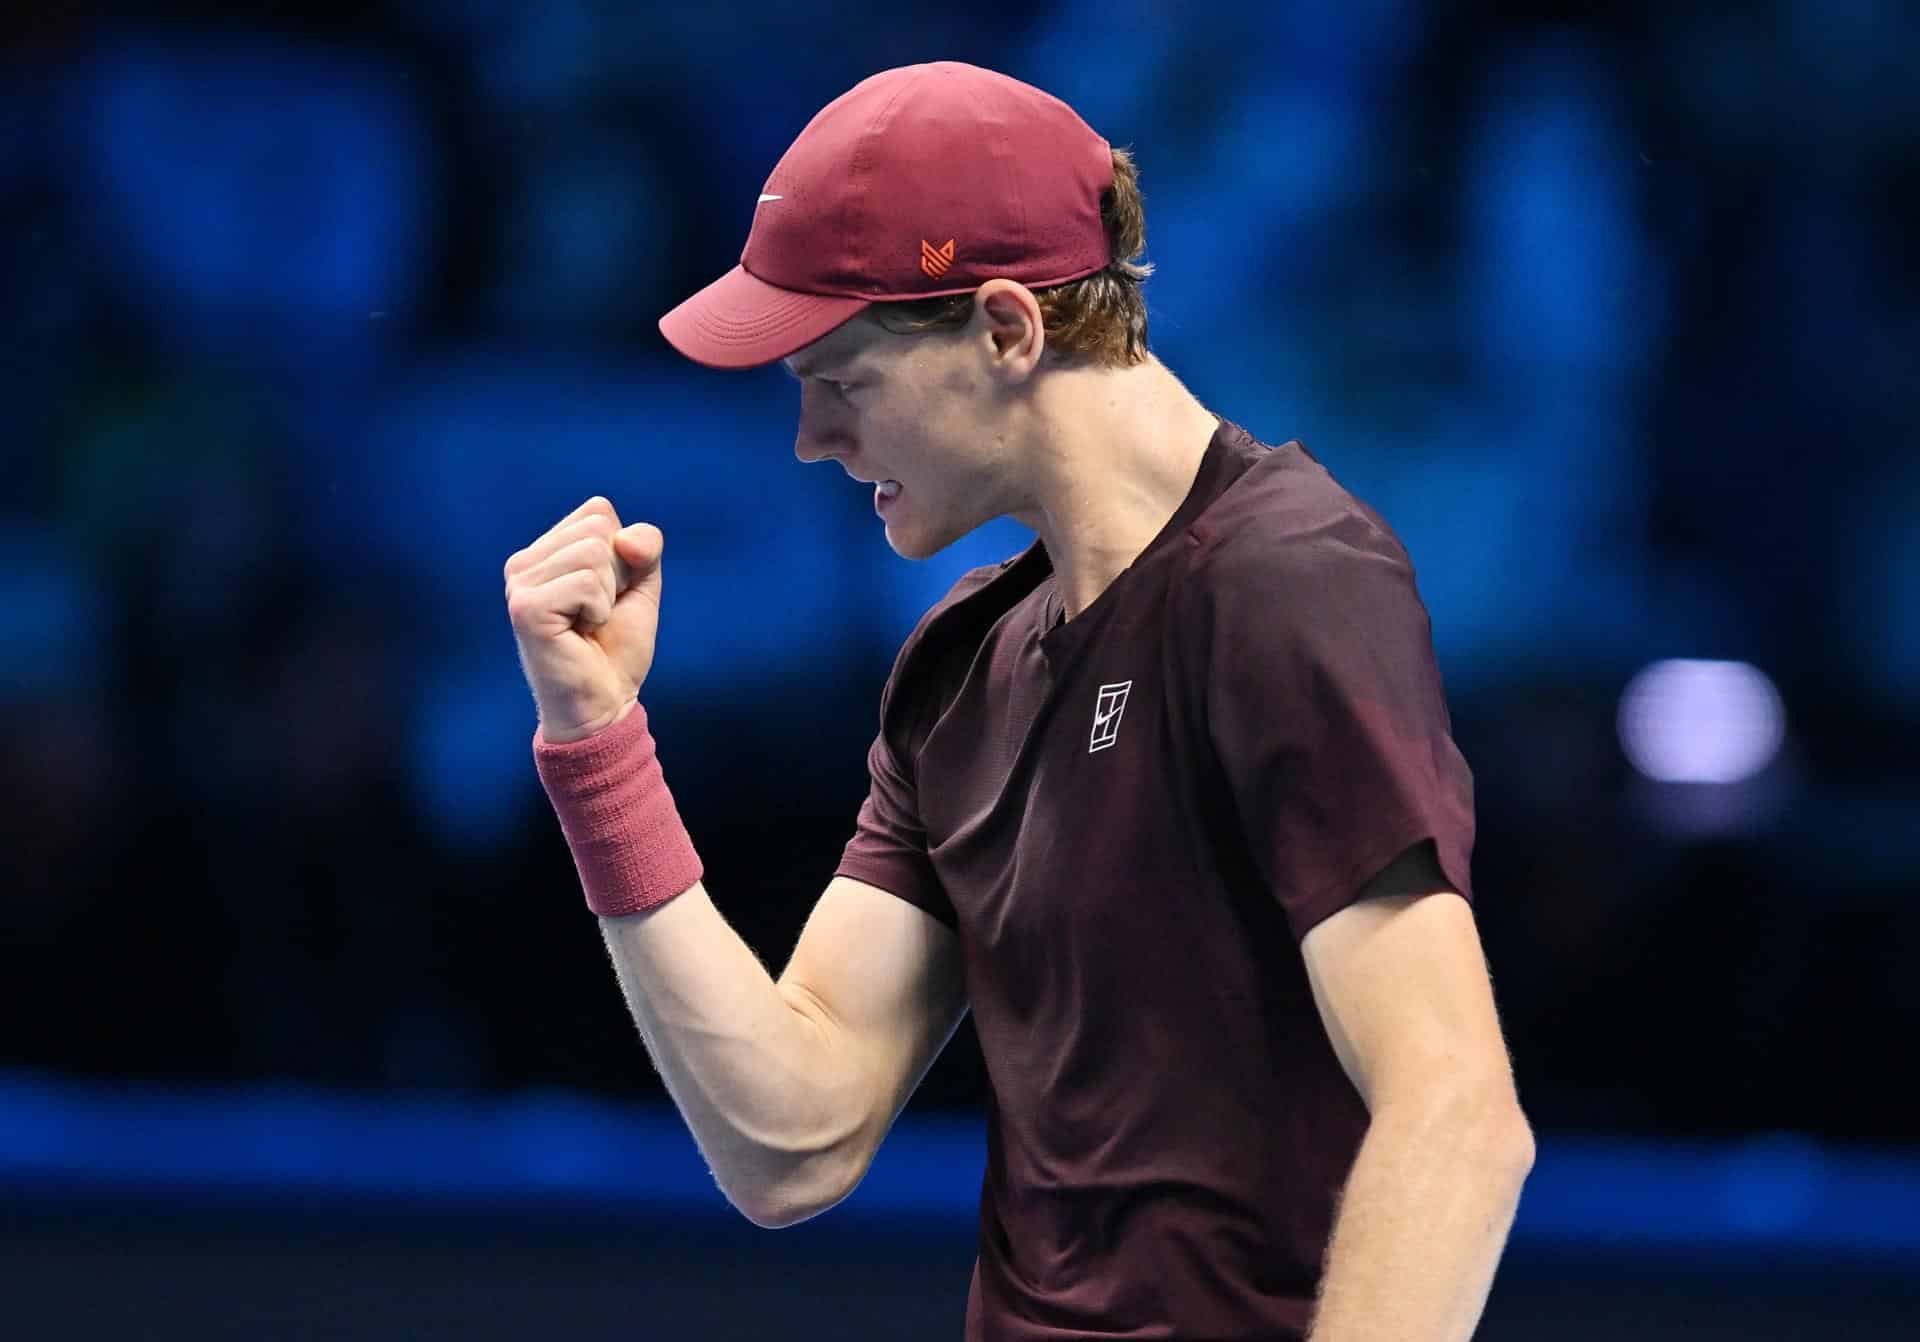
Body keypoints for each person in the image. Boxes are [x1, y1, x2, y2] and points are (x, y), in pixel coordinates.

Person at [505, 61, 1533, 1342]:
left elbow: (1457, 1112)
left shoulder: (1284, 584)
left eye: (843, 377)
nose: (810, 438)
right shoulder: (963, 661)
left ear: (1007, 329)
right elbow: (793, 1138)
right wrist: (599, 744)